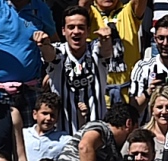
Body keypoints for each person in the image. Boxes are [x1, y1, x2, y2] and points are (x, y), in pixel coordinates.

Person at [37, 7, 112, 135]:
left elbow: (105, 51)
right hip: (63, 135)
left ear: (88, 31)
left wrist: (106, 40)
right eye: (71, 27)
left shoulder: (95, 50)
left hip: (96, 133)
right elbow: (50, 56)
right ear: (63, 31)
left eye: (81, 27)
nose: (76, 32)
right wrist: (44, 45)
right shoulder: (59, 51)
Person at [80, 0, 147, 103]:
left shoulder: (128, 11)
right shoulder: (89, 13)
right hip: (98, 97)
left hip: (129, 96)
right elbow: (83, 4)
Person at [23, 93, 72, 161]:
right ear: (35, 114)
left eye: (52, 115)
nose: (48, 118)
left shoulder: (63, 140)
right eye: (45, 113)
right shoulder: (23, 135)